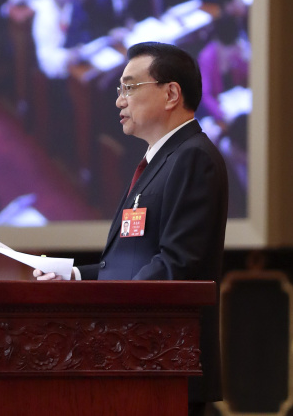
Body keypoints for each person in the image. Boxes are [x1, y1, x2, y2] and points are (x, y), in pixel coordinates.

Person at [33, 41, 228, 416]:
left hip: (165, 365)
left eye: (129, 87)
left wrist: (100, 305)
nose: (119, 100)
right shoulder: (160, 160)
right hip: (138, 362)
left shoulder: (193, 157)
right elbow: (131, 261)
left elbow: (176, 266)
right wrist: (74, 277)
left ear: (171, 94)